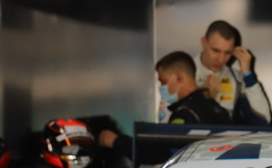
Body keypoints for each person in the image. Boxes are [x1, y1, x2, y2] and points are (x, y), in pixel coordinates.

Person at [97, 51, 230, 161]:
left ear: (179, 77)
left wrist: (117, 141)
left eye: (163, 81)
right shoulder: (216, 108)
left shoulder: (185, 114)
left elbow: (162, 153)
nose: (161, 87)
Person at [196, 20, 272, 125]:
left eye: (227, 52)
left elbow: (264, 119)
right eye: (216, 51)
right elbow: (177, 121)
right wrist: (206, 97)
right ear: (204, 42)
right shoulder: (184, 71)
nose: (221, 59)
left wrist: (247, 74)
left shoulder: (235, 78)